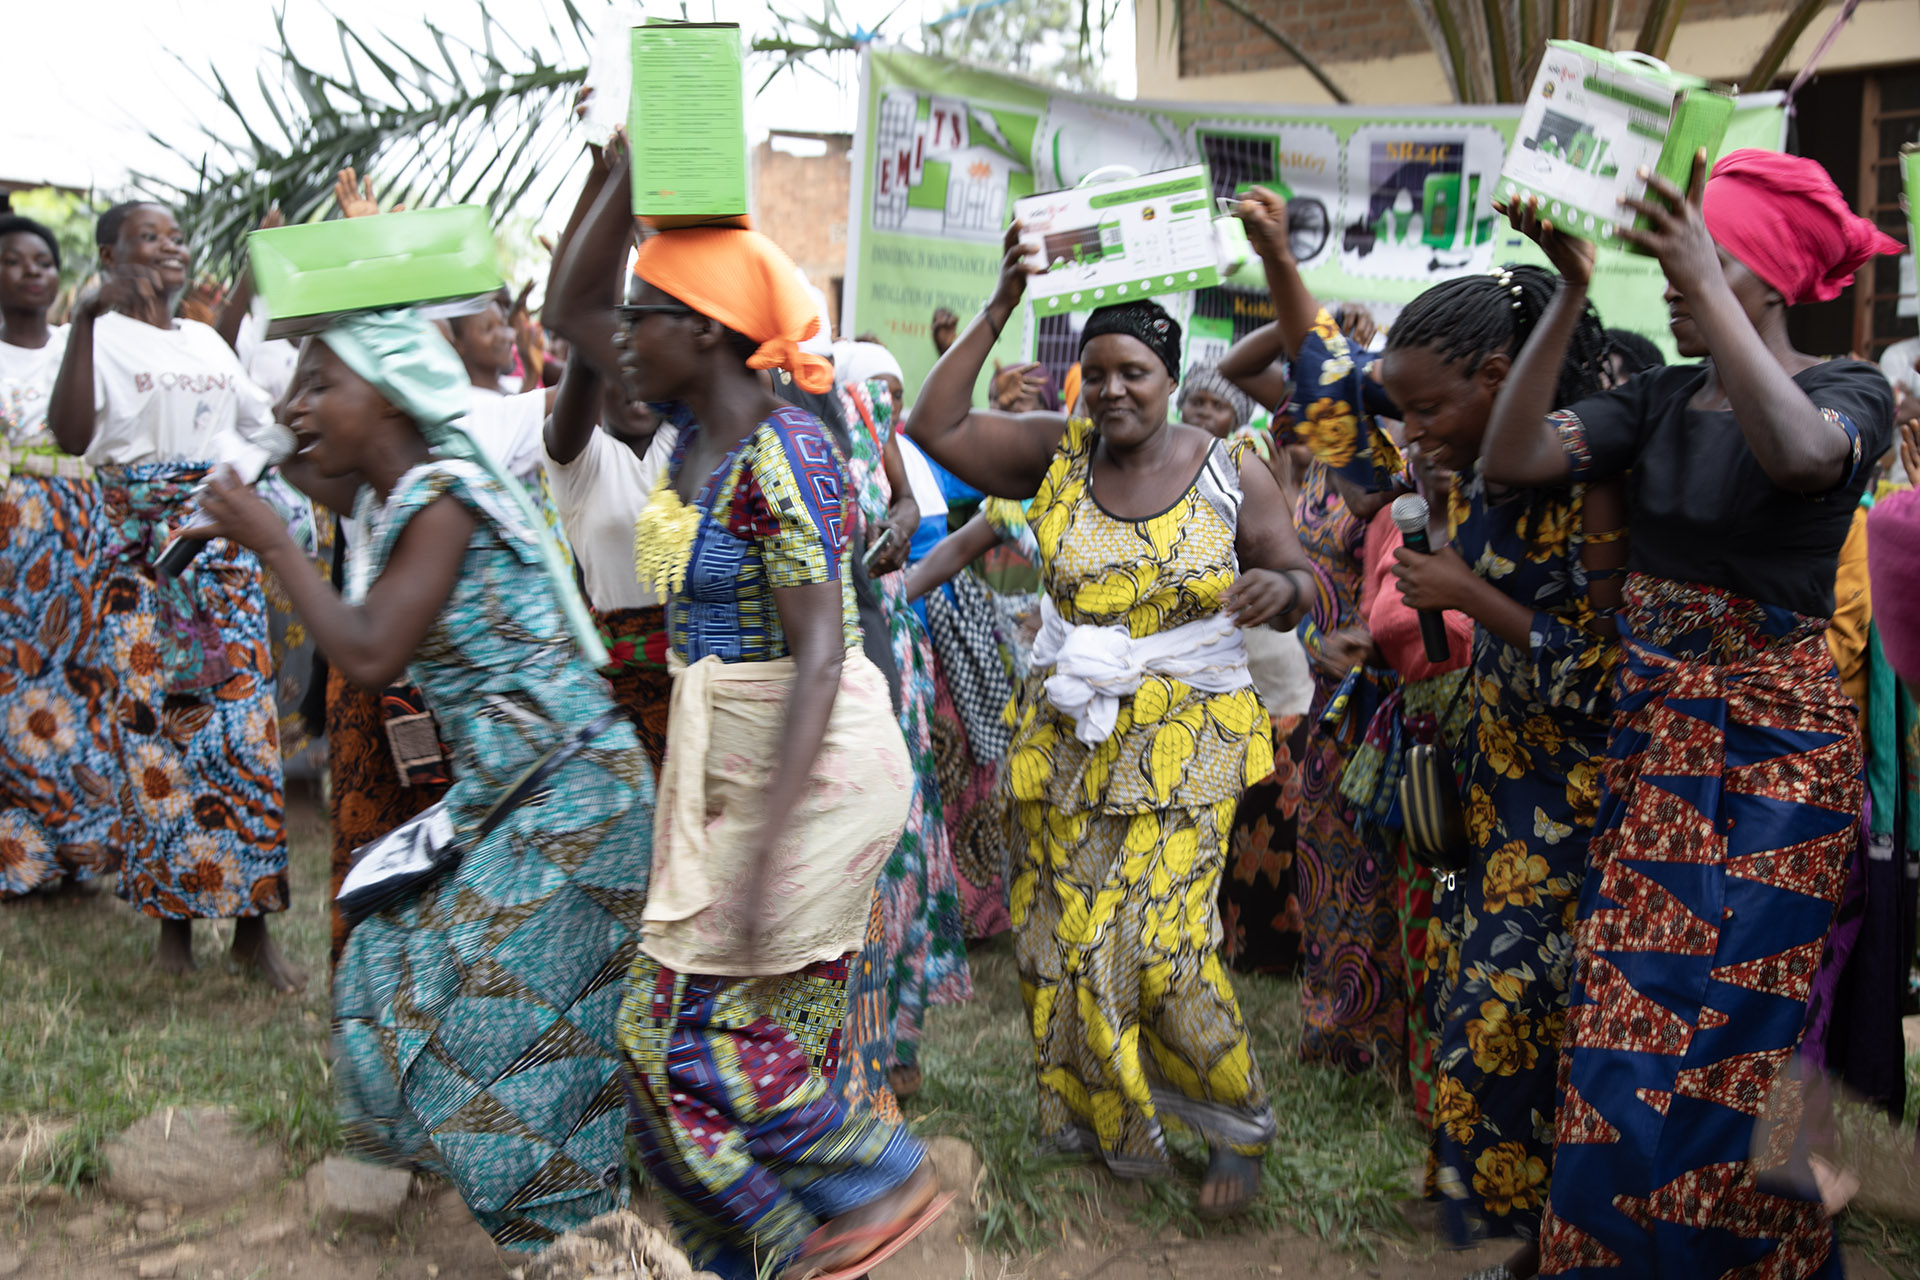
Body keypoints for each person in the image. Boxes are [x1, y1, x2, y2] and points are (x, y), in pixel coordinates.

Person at [1480, 149, 1902, 1278]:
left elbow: (1805, 458)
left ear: (1760, 273)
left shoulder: (1845, 390)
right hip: (1659, 753)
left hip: (1778, 764)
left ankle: (1748, 1257)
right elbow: (1513, 454)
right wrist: (1570, 288)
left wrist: (1712, 300)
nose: (1672, 276)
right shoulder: (1658, 395)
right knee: (1624, 1024)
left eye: (1706, 253)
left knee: (1740, 1041)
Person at [550, 147, 950, 1280]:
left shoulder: (787, 448)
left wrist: (769, 835)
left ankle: (874, 1189)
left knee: (675, 1042)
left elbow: (822, 651)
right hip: (729, 754)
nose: (620, 336)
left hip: (807, 764)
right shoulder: (687, 437)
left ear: (712, 331)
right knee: (715, 1045)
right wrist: (629, 173)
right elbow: (570, 306)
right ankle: (778, 1251)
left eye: (649, 316)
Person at [182, 308, 653, 1248]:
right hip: (519, 795)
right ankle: (574, 1214)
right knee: (393, 958)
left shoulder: (443, 496)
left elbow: (369, 649)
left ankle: (582, 1240)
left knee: (506, 1030)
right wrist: (279, 439)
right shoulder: (390, 486)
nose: (294, 402)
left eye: (321, 384)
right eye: (296, 385)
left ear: (394, 398)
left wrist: (269, 540)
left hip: (573, 799)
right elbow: (306, 457)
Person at [1237, 185, 1626, 1263]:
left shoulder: (1578, 485)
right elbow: (1322, 401)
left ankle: (1552, 1230)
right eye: (1398, 415)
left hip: (1562, 813)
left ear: (1500, 381)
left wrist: (1466, 591)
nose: (1405, 434)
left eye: (1424, 410)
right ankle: (1496, 1217)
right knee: (1468, 1016)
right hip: (1466, 798)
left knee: (1526, 1024)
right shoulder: (1427, 470)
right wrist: (1277, 256)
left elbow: (1594, 673)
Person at [906, 221, 1317, 1215]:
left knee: (1166, 942)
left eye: (1133, 369)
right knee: (1066, 940)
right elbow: (935, 424)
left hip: (1189, 736)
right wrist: (1003, 299)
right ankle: (1108, 1120)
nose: (1114, 388)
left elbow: (1305, 577)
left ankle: (1236, 1124)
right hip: (1072, 737)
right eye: (1095, 372)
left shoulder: (1229, 468)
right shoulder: (1059, 456)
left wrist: (1278, 586)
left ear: (1169, 376)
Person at [45, 201, 301, 991]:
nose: (170, 247)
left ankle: (254, 931)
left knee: (244, 736)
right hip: (140, 557)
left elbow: (262, 424)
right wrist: (86, 320)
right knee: (155, 737)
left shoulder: (202, 339)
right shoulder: (91, 337)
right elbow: (69, 436)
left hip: (219, 548)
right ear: (110, 254)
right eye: (149, 237)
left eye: (176, 235)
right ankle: (173, 934)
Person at [834, 340, 973, 1103]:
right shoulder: (814, 442)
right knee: (867, 868)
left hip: (902, 660)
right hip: (853, 662)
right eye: (873, 391)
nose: (886, 404)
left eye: (896, 391)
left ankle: (900, 1043)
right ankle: (857, 1052)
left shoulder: (879, 440)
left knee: (911, 857)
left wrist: (899, 518)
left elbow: (908, 505)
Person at [0, 214, 124, 900]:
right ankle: (19, 859)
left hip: (82, 536)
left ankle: (79, 850)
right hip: (12, 541)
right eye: (16, 261)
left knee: (82, 686)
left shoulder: (82, 347)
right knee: (14, 689)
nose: (33, 271)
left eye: (43, 260)